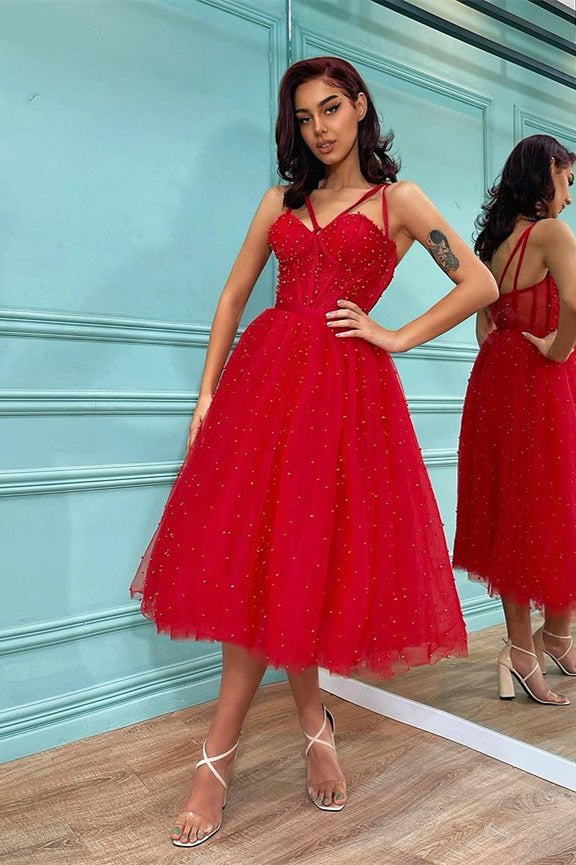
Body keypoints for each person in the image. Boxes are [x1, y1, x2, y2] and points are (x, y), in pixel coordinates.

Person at [129, 56, 497, 848]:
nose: (319, 127)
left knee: (293, 562)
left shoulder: (399, 201)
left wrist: (393, 334)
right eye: (304, 116)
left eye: (331, 108)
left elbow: (480, 285)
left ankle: (218, 757)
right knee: (266, 566)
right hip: (262, 395)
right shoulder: (280, 202)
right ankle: (310, 726)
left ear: (360, 106)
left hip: (343, 407)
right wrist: (205, 395)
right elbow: (234, 296)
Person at [453, 135, 576, 706]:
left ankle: (531, 647)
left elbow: (484, 328)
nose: (568, 196)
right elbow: (575, 304)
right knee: (553, 505)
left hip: (496, 380)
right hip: (542, 380)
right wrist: (557, 349)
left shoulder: (494, 244)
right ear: (547, 171)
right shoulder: (550, 233)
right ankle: (543, 644)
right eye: (567, 181)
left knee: (515, 510)